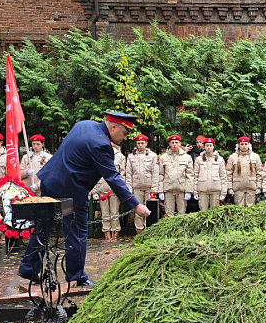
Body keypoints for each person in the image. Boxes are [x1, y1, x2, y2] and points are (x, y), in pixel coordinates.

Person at [17, 111, 150, 287]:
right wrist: (136, 205)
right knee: (77, 233)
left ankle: (28, 268)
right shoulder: (101, 145)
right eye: (124, 133)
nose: (125, 138)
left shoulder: (84, 124)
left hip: (50, 181)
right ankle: (76, 276)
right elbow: (112, 177)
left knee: (43, 227)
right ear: (113, 127)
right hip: (71, 190)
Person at [90, 143, 126, 242]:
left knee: (114, 212)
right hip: (102, 188)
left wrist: (121, 189)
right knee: (105, 213)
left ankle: (115, 233)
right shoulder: (99, 155)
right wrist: (95, 190)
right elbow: (94, 173)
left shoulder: (120, 156)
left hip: (114, 189)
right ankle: (106, 234)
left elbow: (122, 174)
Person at [125, 134, 159, 235]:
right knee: (138, 211)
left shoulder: (152, 156)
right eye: (138, 143)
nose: (140, 145)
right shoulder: (131, 156)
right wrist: (129, 188)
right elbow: (129, 173)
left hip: (149, 188)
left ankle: (149, 233)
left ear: (146, 144)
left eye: (142, 143)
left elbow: (155, 173)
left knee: (150, 210)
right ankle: (139, 231)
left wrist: (154, 188)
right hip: (137, 187)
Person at [158, 134, 194, 216]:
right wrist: (160, 191)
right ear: (169, 144)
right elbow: (160, 174)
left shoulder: (187, 157)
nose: (174, 144)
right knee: (168, 214)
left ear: (180, 144)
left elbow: (190, 175)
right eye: (172, 142)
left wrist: (189, 191)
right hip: (168, 190)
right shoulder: (163, 157)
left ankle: (182, 229)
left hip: (181, 189)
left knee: (182, 214)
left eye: (176, 142)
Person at [226, 136, 263, 207]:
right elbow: (228, 173)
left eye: (246, 144)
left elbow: (259, 173)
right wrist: (230, 187)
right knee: (239, 210)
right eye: (242, 144)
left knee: (251, 210)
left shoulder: (255, 156)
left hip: (251, 188)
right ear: (238, 145)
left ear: (249, 145)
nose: (244, 146)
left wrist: (259, 187)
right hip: (238, 188)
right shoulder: (233, 157)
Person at [193, 137, 227, 211]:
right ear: (204, 146)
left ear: (213, 146)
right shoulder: (199, 159)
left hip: (215, 190)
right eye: (207, 145)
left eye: (210, 145)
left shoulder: (220, 159)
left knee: (214, 213)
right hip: (202, 190)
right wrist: (195, 191)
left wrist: (223, 192)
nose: (209, 147)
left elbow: (223, 176)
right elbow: (195, 176)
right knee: (203, 212)